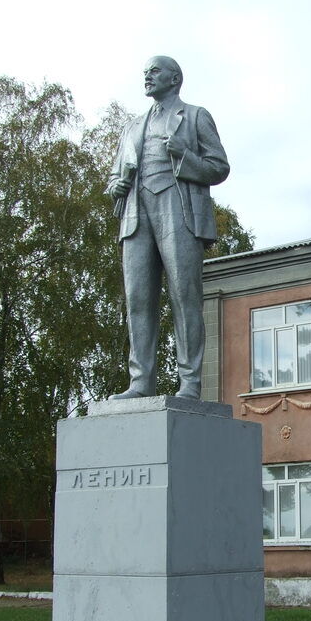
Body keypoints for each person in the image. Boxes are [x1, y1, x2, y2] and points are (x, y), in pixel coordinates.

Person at [105, 55, 230, 399]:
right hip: (136, 213)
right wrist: (114, 184)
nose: (147, 76)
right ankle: (141, 381)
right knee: (138, 299)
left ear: (175, 79)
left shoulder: (194, 116)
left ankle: (189, 382)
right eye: (145, 72)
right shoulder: (131, 126)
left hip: (178, 209)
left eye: (155, 71)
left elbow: (219, 167)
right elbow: (117, 173)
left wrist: (184, 155)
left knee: (184, 296)